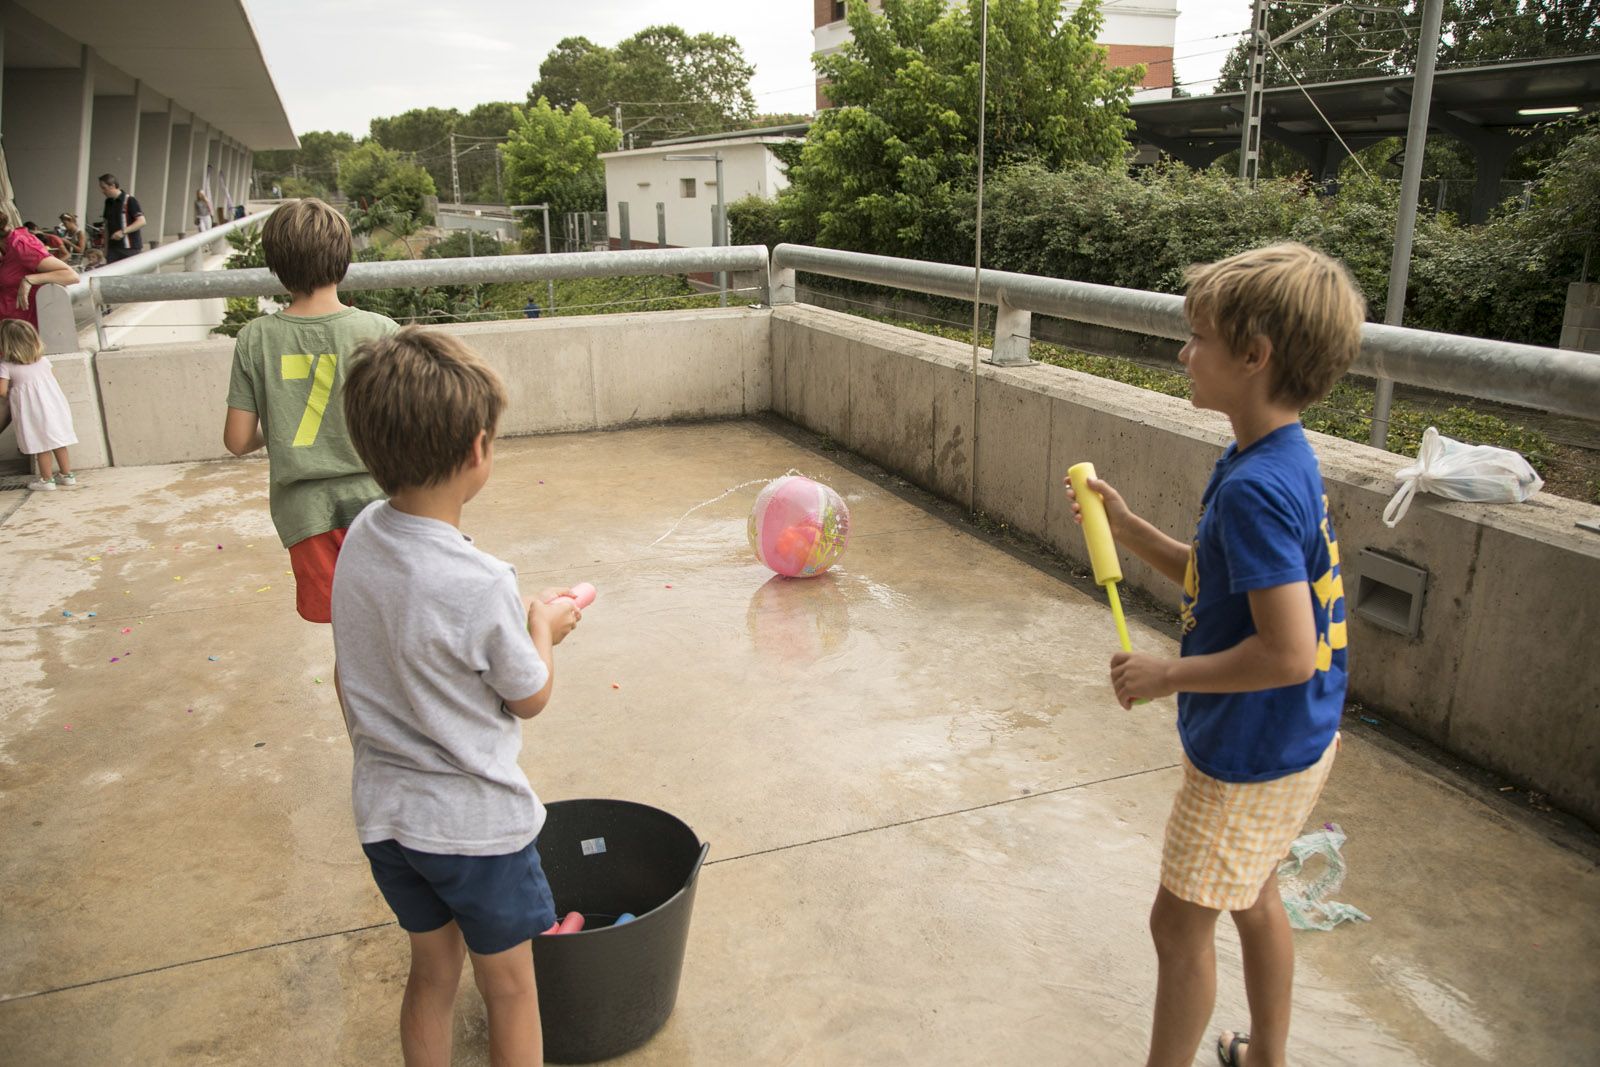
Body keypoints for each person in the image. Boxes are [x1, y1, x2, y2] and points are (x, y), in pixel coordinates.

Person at [1064, 243, 1362, 1067]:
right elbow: (1226, 580)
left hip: (1249, 752)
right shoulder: (1274, 457)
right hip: (1294, 737)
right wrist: (1131, 531)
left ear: (1254, 356)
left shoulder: (1254, 488)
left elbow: (1287, 651)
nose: (1184, 353)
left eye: (1198, 338)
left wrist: (1167, 674)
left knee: (1177, 925)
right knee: (1253, 894)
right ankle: (1266, 1057)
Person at [332, 326, 582, 1067]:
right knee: (510, 989)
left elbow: (350, 671)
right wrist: (543, 629)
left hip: (388, 819)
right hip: (475, 833)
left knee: (432, 973)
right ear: (478, 449)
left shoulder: (362, 539)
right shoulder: (482, 582)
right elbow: (529, 694)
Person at [222, 198, 399, 623]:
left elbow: (238, 440)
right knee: (392, 618)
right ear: (343, 259)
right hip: (381, 501)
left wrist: (278, 424)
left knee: (346, 627)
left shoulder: (254, 339)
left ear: (276, 266)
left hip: (306, 514)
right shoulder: (380, 330)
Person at [0, 320, 80, 490]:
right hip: (53, 407)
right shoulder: (43, 361)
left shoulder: (6, 366)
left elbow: (2, 391)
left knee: (41, 444)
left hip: (31, 411)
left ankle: (47, 480)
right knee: (58, 441)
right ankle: (67, 475)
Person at [98, 173, 146, 263]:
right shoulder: (108, 202)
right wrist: (105, 248)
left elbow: (141, 221)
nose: (102, 191)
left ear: (112, 186)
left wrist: (123, 231)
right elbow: (106, 225)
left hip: (130, 249)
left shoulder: (130, 200)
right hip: (113, 249)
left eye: (104, 188)